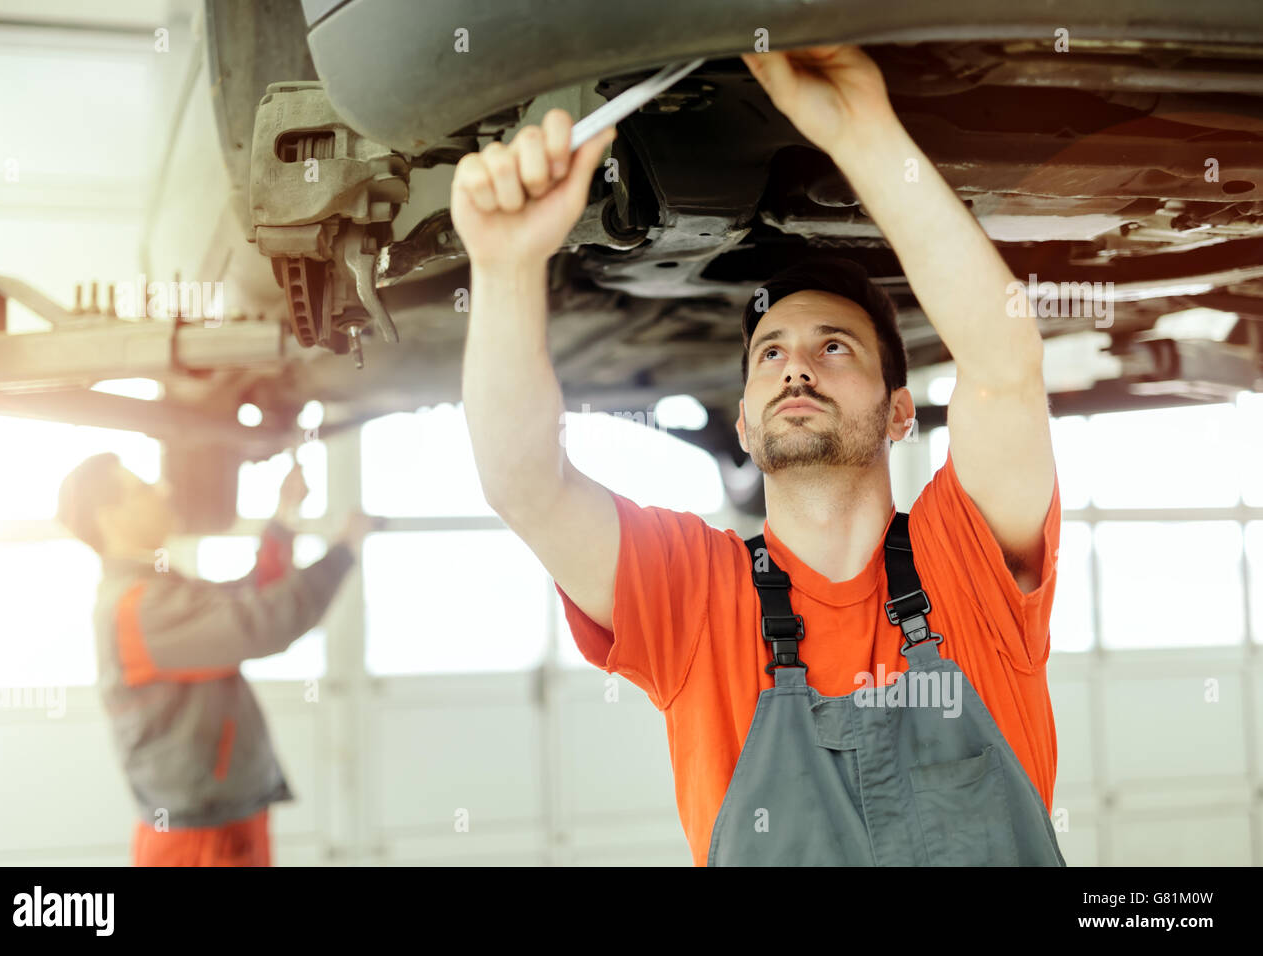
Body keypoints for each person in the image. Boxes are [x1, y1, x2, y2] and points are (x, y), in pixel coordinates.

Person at [453, 45, 1065, 865]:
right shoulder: (694, 595)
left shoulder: (968, 563)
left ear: (897, 414)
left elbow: (1004, 370)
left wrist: (863, 132)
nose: (797, 366)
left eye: (835, 347)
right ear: (742, 423)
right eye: (769, 354)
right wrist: (503, 267)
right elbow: (525, 483)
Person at [56, 454, 369, 865]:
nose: (162, 490)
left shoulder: (156, 591)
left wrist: (285, 513)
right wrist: (344, 550)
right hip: (199, 842)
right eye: (142, 488)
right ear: (110, 517)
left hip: (220, 822)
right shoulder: (139, 607)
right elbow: (264, 621)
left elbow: (252, 594)